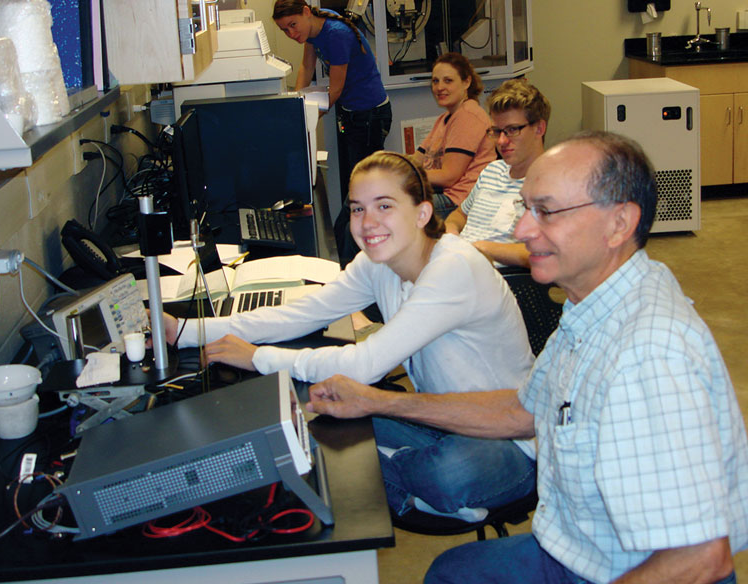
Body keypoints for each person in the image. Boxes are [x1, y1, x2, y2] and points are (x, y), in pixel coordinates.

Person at [307, 131, 748, 584]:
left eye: (547, 212)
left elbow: (700, 559)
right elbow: (524, 409)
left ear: (619, 223)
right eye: (526, 208)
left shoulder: (649, 354)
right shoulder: (592, 306)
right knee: (450, 573)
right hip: (574, 547)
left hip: (620, 571)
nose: (521, 230)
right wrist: (379, 402)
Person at [163, 151, 535, 520]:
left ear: (422, 213)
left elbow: (365, 365)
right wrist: (184, 332)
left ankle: (413, 487)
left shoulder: (454, 267)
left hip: (508, 438)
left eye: (384, 206)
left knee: (445, 474)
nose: (367, 222)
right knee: (320, 424)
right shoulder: (380, 261)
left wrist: (258, 357)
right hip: (435, 418)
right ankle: (412, 488)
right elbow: (303, 314)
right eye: (357, 209)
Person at [273, 0, 392, 265]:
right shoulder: (314, 30)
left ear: (306, 12)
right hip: (353, 113)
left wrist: (302, 119)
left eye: (293, 25)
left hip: (369, 115)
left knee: (361, 192)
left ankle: (349, 260)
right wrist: (295, 102)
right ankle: (354, 257)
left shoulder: (336, 34)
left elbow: (335, 90)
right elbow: (305, 68)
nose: (291, 34)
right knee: (356, 189)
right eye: (284, 30)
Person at [444, 78, 550, 268]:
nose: (501, 141)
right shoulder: (492, 171)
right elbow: (459, 215)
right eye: (496, 131)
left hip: (497, 282)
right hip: (459, 266)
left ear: (539, 128)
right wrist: (450, 231)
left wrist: (481, 249)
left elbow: (546, 252)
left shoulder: (553, 184)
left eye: (511, 130)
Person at [412, 52, 496, 219]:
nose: (439, 87)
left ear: (466, 82)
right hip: (439, 193)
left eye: (448, 81)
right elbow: (416, 159)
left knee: (385, 212)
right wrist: (387, 166)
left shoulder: (469, 116)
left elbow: (448, 177)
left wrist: (404, 175)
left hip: (457, 201)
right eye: (435, 81)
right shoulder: (444, 118)